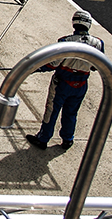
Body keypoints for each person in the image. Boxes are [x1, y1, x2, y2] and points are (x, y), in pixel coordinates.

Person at [26, 10, 105, 150]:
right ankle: (68, 139)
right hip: (81, 84)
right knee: (71, 112)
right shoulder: (98, 43)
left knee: (52, 110)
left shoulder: (65, 41)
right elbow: (95, 66)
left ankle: (43, 139)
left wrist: (34, 68)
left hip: (62, 83)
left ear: (74, 23)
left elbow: (52, 64)